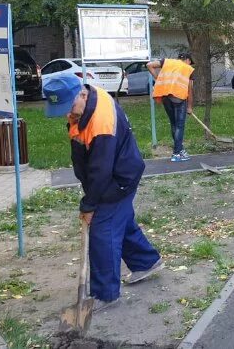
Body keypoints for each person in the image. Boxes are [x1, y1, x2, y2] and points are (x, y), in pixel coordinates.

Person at [43, 74, 164, 312]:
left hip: (118, 178)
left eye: (69, 107)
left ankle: (105, 294)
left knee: (102, 230)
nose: (68, 114)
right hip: (111, 173)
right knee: (121, 221)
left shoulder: (101, 123)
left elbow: (101, 170)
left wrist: (89, 205)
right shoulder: (85, 103)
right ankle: (146, 261)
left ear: (82, 94)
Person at [147, 53, 195, 162]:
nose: (190, 64)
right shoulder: (188, 69)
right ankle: (177, 153)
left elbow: (149, 65)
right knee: (179, 125)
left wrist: (158, 79)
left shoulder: (166, 62)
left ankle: (180, 150)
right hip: (178, 97)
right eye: (190, 62)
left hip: (165, 96)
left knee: (174, 124)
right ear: (187, 60)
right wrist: (190, 107)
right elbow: (190, 90)